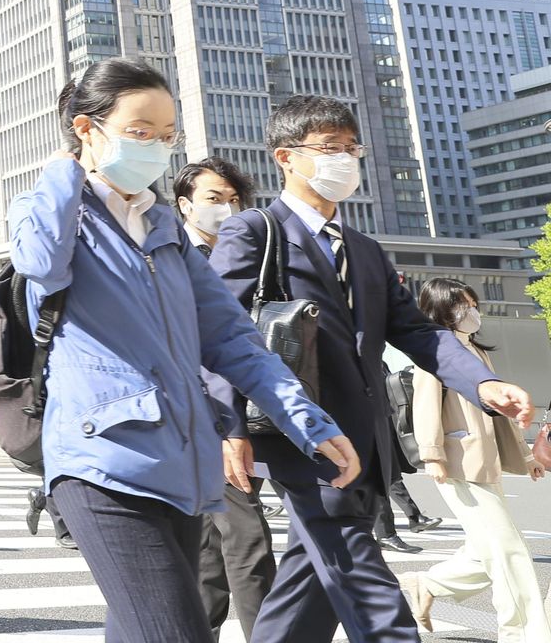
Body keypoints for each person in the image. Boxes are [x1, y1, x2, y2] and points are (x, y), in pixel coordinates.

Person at [13, 60, 361, 643]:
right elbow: (40, 265)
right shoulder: (55, 212)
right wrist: (61, 174)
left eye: (167, 135)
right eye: (140, 132)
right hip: (102, 464)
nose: (156, 147)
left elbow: (233, 340)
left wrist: (306, 421)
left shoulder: (165, 230)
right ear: (86, 129)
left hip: (182, 467)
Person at [210, 95, 534, 643]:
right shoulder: (254, 233)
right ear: (286, 157)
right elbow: (218, 335)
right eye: (329, 149)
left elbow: (416, 331)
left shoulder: (364, 249)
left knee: (307, 584)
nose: (345, 159)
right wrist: (229, 427)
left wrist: (484, 382)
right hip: (301, 437)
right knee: (363, 578)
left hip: (366, 437)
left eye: (350, 148)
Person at [404, 278, 548, 639]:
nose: (472, 312)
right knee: (508, 550)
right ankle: (523, 634)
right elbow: (424, 406)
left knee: (488, 549)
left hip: (485, 462)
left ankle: (427, 584)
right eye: (461, 305)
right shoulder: (435, 349)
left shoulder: (475, 350)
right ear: (441, 308)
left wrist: (527, 454)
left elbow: (499, 410)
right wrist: (433, 455)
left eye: (472, 304)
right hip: (458, 463)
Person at [175, 154, 277, 643]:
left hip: (232, 416)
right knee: (245, 540)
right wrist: (227, 429)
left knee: (213, 549)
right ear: (184, 205)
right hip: (197, 420)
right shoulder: (171, 255)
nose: (227, 208)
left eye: (235, 200)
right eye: (214, 199)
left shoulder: (253, 259)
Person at [375, 362, 440, 554]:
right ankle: (389, 531)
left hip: (382, 423)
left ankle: (407, 522)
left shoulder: (377, 360)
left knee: (389, 476)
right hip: (359, 425)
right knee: (380, 479)